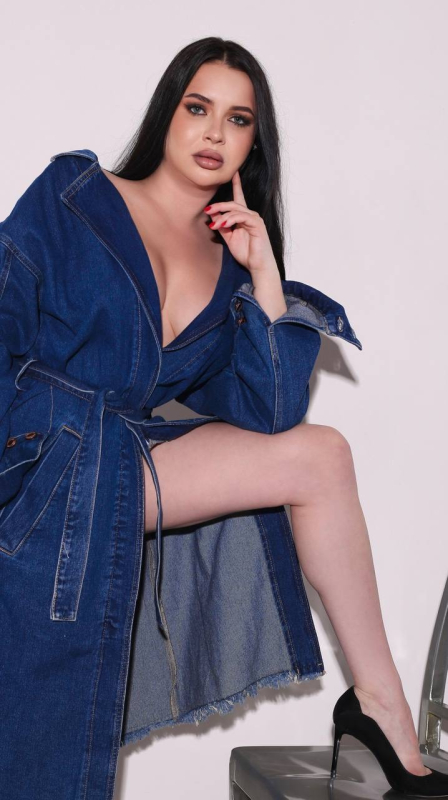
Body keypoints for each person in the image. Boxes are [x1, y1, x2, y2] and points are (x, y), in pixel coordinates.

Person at [1, 36, 445, 800]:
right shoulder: (75, 197)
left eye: (238, 119)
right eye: (198, 107)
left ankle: (381, 711)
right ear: (167, 114)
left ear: (253, 143)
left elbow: (270, 414)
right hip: (38, 453)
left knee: (322, 456)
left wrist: (264, 272)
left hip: (120, 460)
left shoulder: (227, 270)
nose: (214, 132)